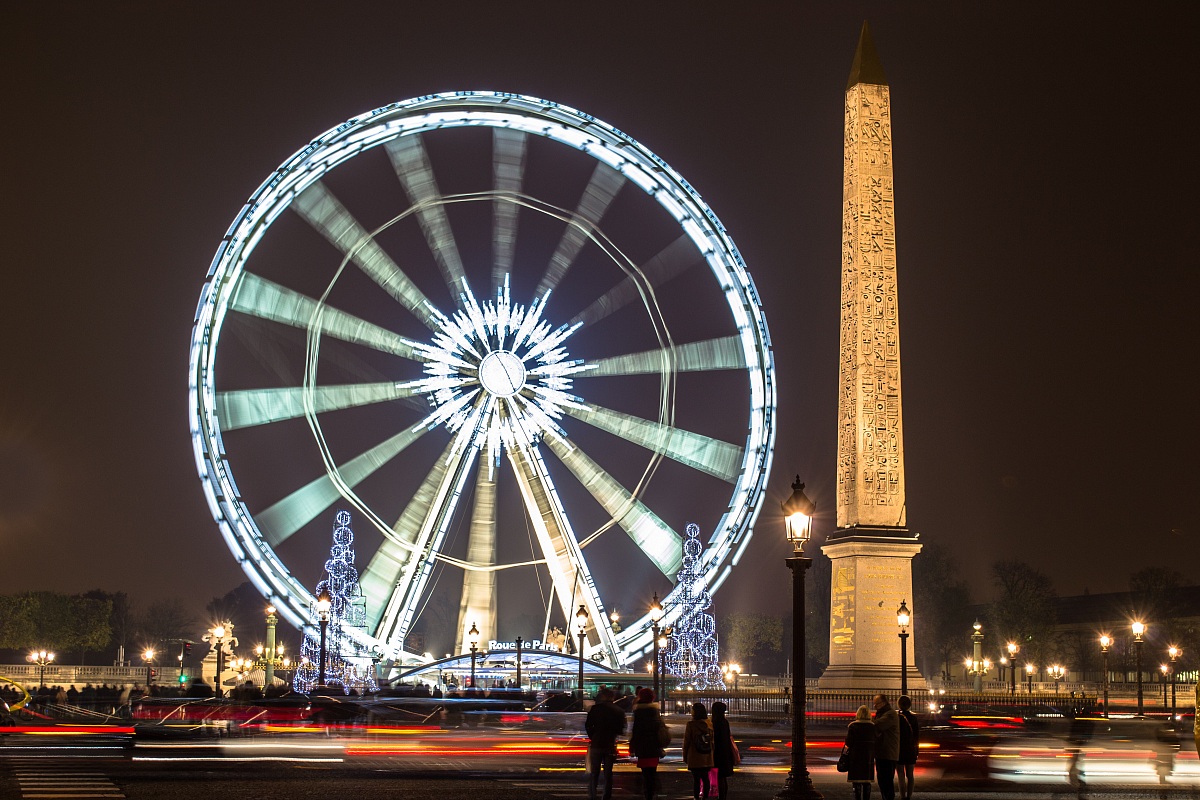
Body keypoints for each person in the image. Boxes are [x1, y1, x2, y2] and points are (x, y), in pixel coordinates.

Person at [585, 687, 627, 800]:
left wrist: (593, 736)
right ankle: (606, 796)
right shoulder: (618, 711)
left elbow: (588, 725)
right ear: (612, 697)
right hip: (610, 744)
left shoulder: (595, 709)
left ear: (602, 696)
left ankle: (593, 795)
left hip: (597, 743)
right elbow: (622, 729)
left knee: (595, 772)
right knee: (608, 773)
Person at [629, 687, 665, 800]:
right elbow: (659, 729)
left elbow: (635, 730)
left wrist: (632, 746)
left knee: (645, 773)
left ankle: (647, 794)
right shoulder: (655, 711)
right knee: (652, 772)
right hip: (654, 746)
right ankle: (652, 792)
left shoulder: (638, 711)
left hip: (642, 746)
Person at [682, 702, 715, 800]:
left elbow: (687, 741)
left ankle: (696, 797)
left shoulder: (691, 724)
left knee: (696, 779)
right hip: (706, 756)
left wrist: (685, 755)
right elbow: (712, 740)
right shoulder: (709, 724)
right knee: (706, 778)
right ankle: (705, 797)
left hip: (694, 755)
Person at [844, 704, 876, 800]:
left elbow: (848, 742)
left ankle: (857, 797)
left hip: (855, 756)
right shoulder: (873, 726)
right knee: (867, 781)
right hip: (868, 756)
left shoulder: (853, 726)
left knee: (856, 781)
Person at [872, 694, 900, 800]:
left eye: (877, 703)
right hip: (882, 752)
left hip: (888, 753)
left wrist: (866, 719)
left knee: (887, 781)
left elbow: (878, 725)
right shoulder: (883, 713)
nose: (875, 706)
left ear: (884, 703)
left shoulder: (890, 714)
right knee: (882, 780)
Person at [711, 701, 737, 800]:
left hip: (718, 754)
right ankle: (722, 796)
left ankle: (718, 796)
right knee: (722, 778)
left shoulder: (715, 723)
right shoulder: (724, 722)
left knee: (718, 778)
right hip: (725, 753)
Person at [896, 695, 919, 800]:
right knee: (910, 775)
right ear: (910, 705)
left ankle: (902, 796)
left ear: (899, 704)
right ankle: (909, 796)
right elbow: (916, 736)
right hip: (910, 749)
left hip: (899, 749)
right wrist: (916, 751)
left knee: (900, 774)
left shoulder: (896, 718)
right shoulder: (914, 718)